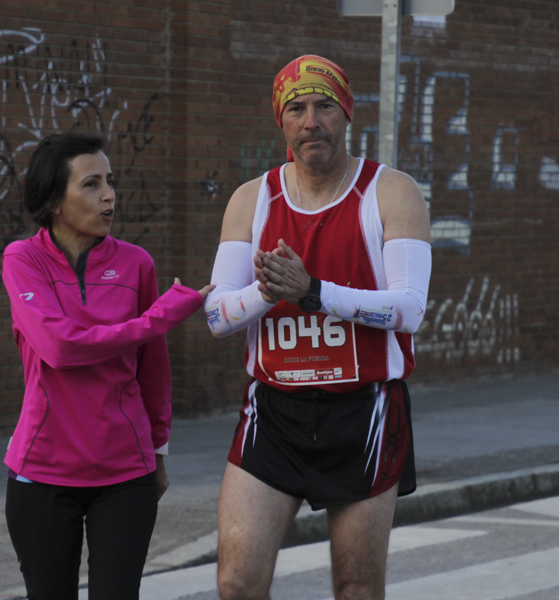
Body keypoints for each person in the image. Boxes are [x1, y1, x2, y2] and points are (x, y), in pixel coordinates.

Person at [203, 55, 432, 599]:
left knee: (355, 587)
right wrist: (268, 290)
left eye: (324, 106)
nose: (311, 121)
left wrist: (313, 292)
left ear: (347, 114)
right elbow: (216, 316)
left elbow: (409, 309)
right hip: (274, 411)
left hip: (365, 409)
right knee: (236, 583)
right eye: (297, 108)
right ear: (281, 121)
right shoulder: (251, 200)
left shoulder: (391, 192)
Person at [1, 131, 213, 600]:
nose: (109, 195)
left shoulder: (136, 263)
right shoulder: (22, 259)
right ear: (55, 199)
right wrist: (158, 317)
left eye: (110, 182)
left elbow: (152, 370)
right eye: (92, 184)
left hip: (125, 475)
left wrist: (160, 453)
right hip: (42, 473)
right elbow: (59, 348)